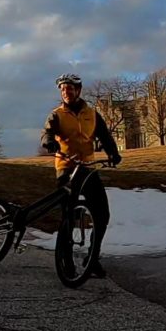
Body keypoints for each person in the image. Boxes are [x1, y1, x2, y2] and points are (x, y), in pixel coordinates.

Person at [40, 73, 122, 278]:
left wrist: (113, 153)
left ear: (78, 90)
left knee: (102, 214)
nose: (66, 92)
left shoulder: (92, 114)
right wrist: (49, 142)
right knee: (68, 214)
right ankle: (66, 260)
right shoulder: (56, 114)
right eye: (62, 89)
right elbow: (47, 133)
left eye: (70, 88)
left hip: (87, 167)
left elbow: (104, 135)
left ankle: (92, 258)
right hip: (66, 167)